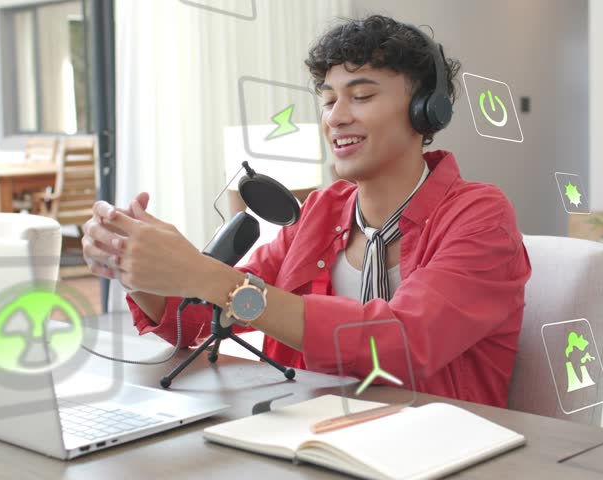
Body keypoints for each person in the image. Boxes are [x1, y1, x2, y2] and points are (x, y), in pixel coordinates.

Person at [82, 15, 531, 407]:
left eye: (361, 96)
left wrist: (208, 276)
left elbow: (399, 343)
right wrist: (136, 267)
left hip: (440, 448)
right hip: (310, 437)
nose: (335, 117)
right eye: (329, 99)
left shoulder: (481, 216)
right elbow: (201, 321)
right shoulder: (321, 211)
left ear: (425, 113)